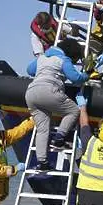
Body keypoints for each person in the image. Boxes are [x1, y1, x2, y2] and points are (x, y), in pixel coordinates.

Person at [25, 38, 88, 171]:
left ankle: (42, 162)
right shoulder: (64, 60)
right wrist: (85, 75)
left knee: (42, 129)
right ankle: (59, 138)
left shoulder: (42, 57)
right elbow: (76, 79)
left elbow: (30, 70)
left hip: (31, 93)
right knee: (73, 111)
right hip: (49, 90)